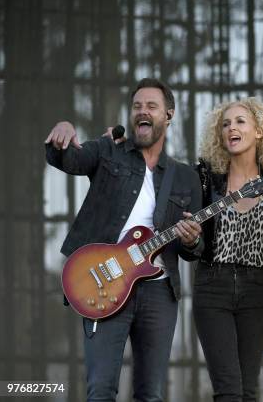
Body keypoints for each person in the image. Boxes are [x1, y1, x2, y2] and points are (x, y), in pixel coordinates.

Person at [45, 78, 203, 401]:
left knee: (151, 394)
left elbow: (194, 250)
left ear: (168, 115)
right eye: (137, 106)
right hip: (103, 281)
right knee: (100, 390)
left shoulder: (185, 176)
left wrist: (190, 241)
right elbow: (70, 159)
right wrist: (61, 134)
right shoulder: (109, 152)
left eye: (151, 106)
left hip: (159, 291)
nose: (142, 111)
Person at [193, 97, 263, 402]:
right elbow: (192, 245)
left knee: (248, 390)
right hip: (212, 286)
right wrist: (190, 239)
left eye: (239, 121)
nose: (231, 127)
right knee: (229, 390)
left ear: (260, 131)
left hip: (258, 288)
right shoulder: (206, 180)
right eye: (225, 124)